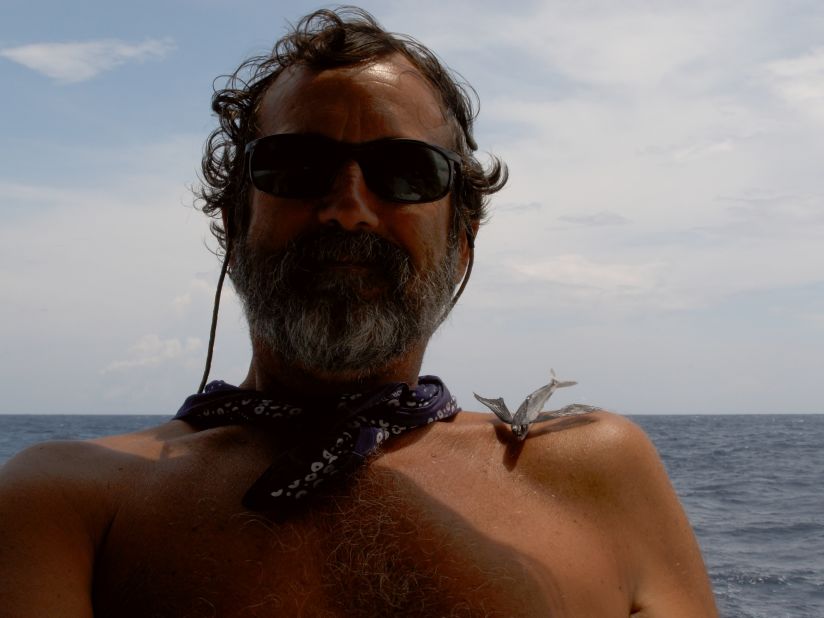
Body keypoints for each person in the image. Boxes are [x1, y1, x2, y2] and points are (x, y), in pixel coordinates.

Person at [0, 8, 718, 617]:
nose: (347, 209)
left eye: (405, 173)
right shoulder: (67, 503)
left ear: (461, 242)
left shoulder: (594, 471)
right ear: (235, 221)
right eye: (296, 168)